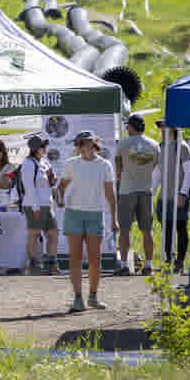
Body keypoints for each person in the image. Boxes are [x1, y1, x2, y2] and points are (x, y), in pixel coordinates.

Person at [58, 130, 118, 313]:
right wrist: (59, 198)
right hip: (73, 214)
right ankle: (77, 298)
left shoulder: (105, 165)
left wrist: (114, 219)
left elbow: (110, 194)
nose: (80, 147)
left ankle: (92, 296)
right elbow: (61, 186)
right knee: (75, 258)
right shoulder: (71, 164)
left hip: (95, 214)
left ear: (93, 144)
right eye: (78, 144)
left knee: (95, 259)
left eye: (83, 143)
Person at [113, 114, 160, 275]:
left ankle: (124, 266)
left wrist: (121, 175)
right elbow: (154, 165)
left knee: (125, 229)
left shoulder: (123, 144)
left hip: (127, 190)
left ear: (131, 127)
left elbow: (118, 165)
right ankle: (147, 265)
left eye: (127, 126)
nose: (126, 129)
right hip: (146, 190)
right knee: (147, 230)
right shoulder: (154, 145)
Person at [18, 135, 60, 275]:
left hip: (46, 204)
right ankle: (33, 265)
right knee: (34, 233)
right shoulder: (28, 164)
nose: (46, 149)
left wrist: (53, 180)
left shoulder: (44, 162)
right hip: (33, 204)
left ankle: (51, 264)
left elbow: (50, 183)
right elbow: (29, 187)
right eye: (43, 146)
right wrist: (35, 207)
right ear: (37, 149)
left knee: (53, 233)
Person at [160, 129, 190, 274]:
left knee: (181, 227)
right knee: (167, 229)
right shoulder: (162, 146)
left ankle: (180, 261)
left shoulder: (182, 146)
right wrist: (153, 190)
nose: (161, 129)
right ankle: (168, 261)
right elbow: (159, 170)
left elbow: (189, 171)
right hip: (165, 196)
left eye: (163, 126)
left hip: (179, 196)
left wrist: (182, 193)